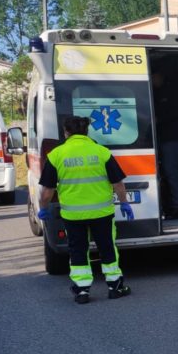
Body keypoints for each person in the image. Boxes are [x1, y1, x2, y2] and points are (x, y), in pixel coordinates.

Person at [37, 116, 134, 304]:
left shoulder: (56, 155)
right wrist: (124, 203)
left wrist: (43, 208)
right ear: (86, 132)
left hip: (73, 215)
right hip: (102, 213)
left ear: (66, 133)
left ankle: (82, 290)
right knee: (107, 248)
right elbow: (118, 184)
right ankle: (115, 287)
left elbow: (47, 190)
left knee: (78, 250)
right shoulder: (101, 152)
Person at [152, 69, 178, 219]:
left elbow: (175, 113)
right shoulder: (159, 93)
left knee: (171, 171)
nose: (152, 80)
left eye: (153, 76)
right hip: (167, 137)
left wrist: (158, 119)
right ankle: (173, 205)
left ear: (160, 75)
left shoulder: (172, 93)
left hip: (174, 137)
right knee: (168, 171)